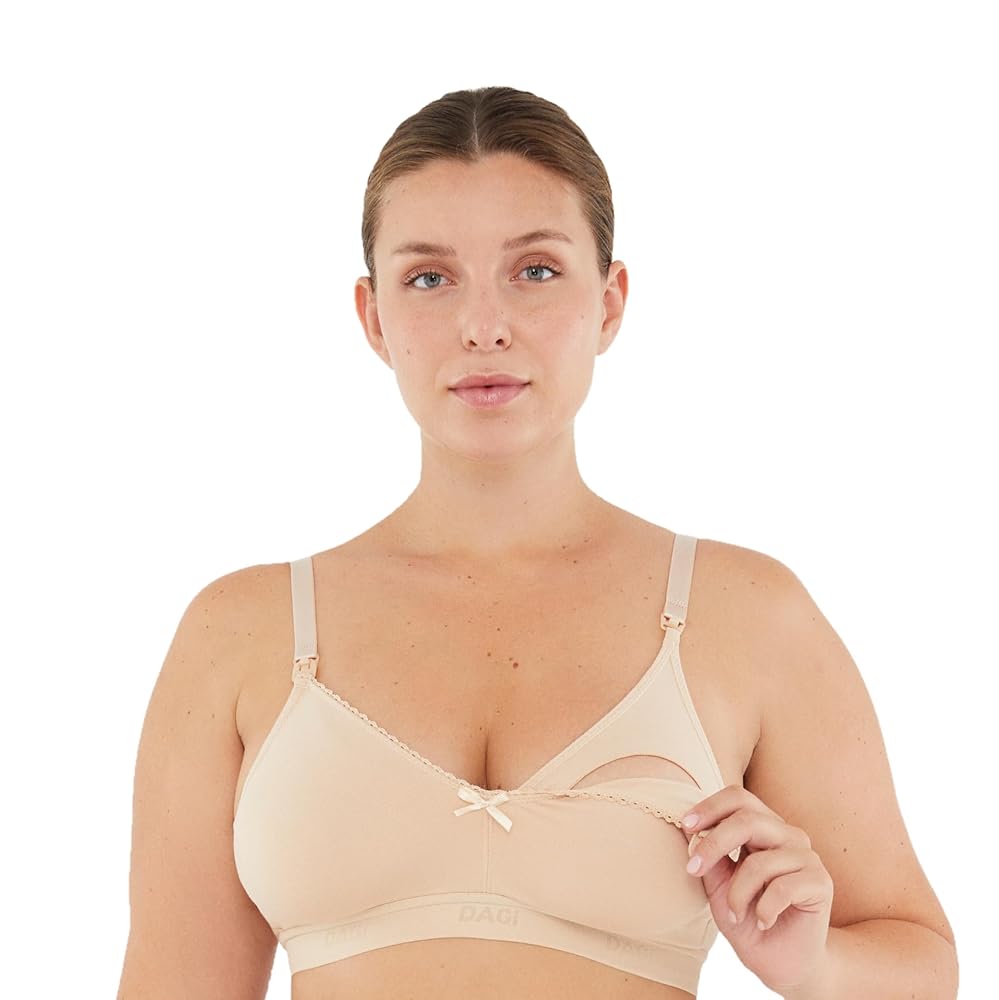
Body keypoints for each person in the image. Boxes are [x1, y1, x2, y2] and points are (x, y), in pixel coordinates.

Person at [116, 86, 957, 999]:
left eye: (536, 270)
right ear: (373, 317)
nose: (484, 326)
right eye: (429, 278)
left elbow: (922, 965)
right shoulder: (242, 633)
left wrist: (815, 964)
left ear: (610, 301)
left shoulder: (748, 615)